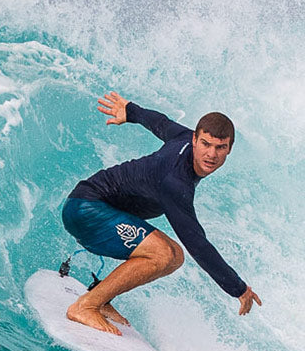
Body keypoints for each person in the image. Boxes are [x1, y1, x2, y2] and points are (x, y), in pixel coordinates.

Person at [60, 91, 262, 335]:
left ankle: (100, 298)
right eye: (206, 144)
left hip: (101, 210)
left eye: (221, 147)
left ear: (229, 149)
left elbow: (160, 123)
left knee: (175, 255)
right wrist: (238, 288)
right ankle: (85, 306)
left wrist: (131, 111)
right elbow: (197, 244)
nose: (211, 154)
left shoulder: (183, 138)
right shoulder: (175, 182)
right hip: (86, 208)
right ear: (195, 139)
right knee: (163, 254)